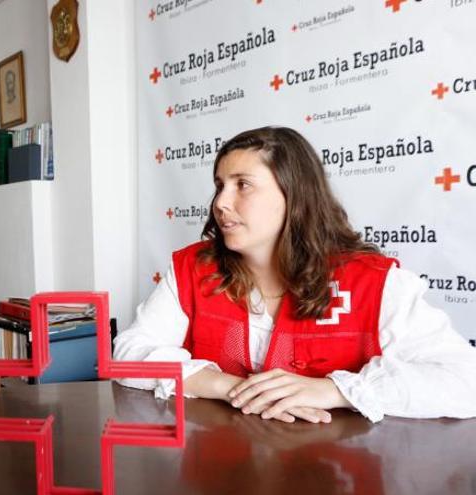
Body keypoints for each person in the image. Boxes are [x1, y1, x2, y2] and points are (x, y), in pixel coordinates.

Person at [114, 126, 476, 424]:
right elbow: (127, 354)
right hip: (220, 472)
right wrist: (229, 386)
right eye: (220, 185)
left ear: (294, 194)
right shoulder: (193, 268)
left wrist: (335, 390)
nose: (220, 203)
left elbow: (465, 381)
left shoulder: (376, 283)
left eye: (243, 185)